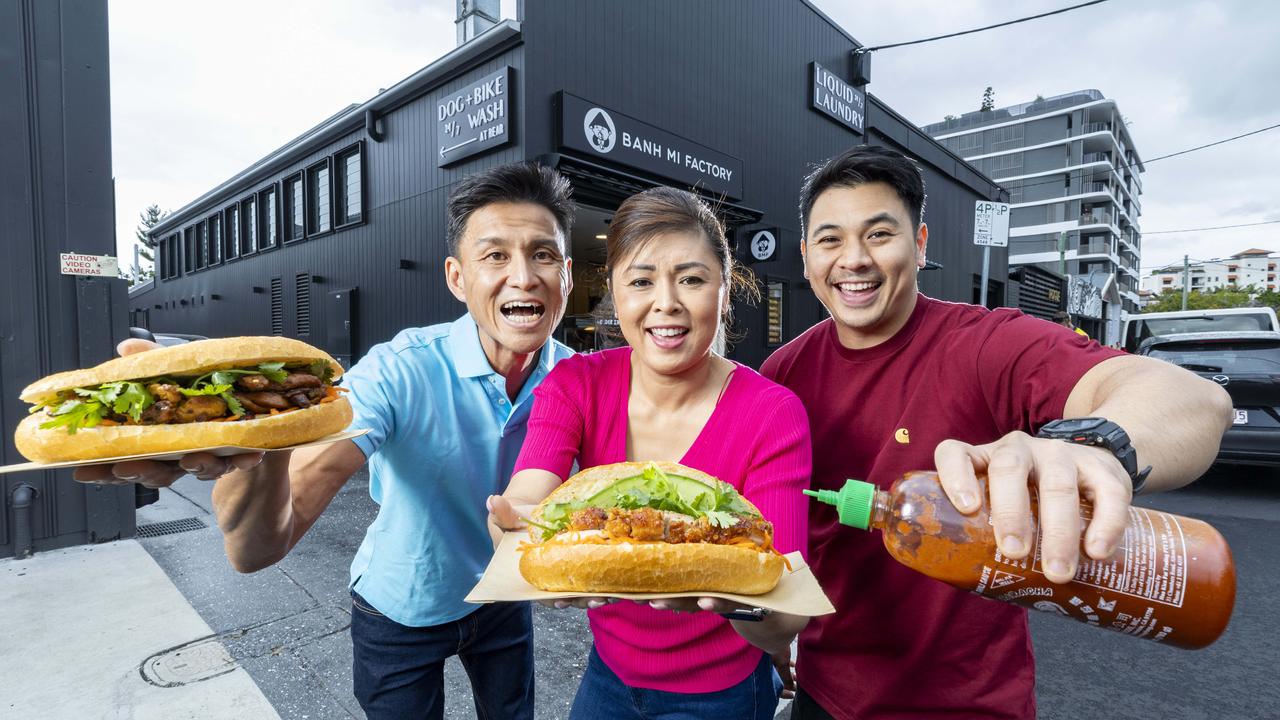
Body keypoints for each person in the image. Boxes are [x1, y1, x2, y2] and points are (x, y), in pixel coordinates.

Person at [72, 161, 579, 720]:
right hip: (400, 606)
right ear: (457, 278)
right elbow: (256, 550)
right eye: (495, 255)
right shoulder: (398, 371)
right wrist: (258, 444)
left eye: (543, 254)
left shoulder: (581, 380)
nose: (525, 276)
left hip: (504, 597)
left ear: (568, 276)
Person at [760, 145, 1233, 719]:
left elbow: (1197, 401)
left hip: (971, 704)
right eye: (831, 239)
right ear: (807, 255)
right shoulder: (782, 374)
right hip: (826, 695)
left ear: (921, 244)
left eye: (880, 234)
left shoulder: (984, 345)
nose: (853, 259)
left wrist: (1095, 447)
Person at [488, 187, 811, 720]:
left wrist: (738, 602)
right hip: (607, 675)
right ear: (614, 295)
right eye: (641, 281)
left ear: (725, 294)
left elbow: (784, 618)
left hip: (723, 692)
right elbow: (530, 493)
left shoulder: (774, 413)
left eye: (692, 279)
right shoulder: (575, 382)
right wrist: (512, 528)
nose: (667, 303)